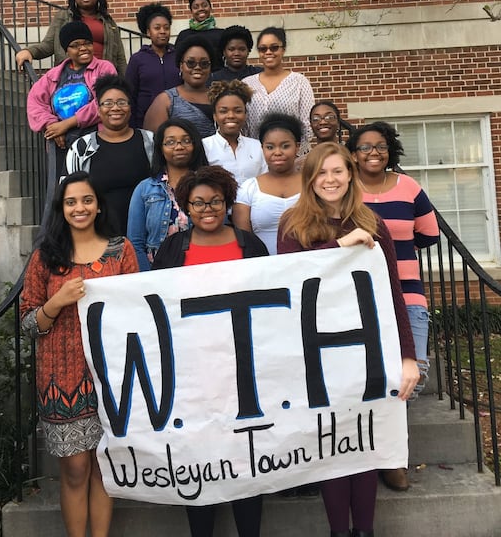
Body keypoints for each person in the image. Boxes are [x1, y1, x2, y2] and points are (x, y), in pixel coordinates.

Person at [277, 142, 419, 537]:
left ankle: (365, 531)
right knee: (332, 444)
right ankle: (340, 531)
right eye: (321, 172)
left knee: (365, 442)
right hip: (317, 351)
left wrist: (407, 357)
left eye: (338, 171)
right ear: (310, 180)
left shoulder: (373, 222)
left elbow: (393, 293)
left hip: (367, 348)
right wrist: (340, 244)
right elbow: (291, 278)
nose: (330, 180)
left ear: (351, 175)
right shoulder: (293, 224)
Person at [20, 171, 138, 537]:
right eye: (71, 202)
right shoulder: (45, 258)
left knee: (105, 466)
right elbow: (27, 324)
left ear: (98, 204)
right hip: (61, 380)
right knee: (74, 470)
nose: (80, 208)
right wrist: (56, 302)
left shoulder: (122, 250)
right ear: (61, 208)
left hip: (112, 376)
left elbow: (139, 311)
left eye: (86, 200)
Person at [152, 166, 268, 537]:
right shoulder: (174, 247)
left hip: (245, 370)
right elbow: (157, 304)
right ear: (186, 207)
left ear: (227, 203)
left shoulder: (251, 245)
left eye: (215, 201)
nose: (207, 208)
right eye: (198, 202)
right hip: (193, 372)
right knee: (198, 457)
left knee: (246, 457)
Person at [347, 120, 439, 493]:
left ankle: (389, 451)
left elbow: (429, 234)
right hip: (361, 296)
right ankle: (384, 458)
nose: (373, 152)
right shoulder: (347, 189)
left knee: (412, 374)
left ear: (391, 151)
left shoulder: (409, 187)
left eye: (381, 146)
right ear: (353, 153)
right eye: (366, 147)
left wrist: (396, 253)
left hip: (408, 291)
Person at [27, 22, 117, 190]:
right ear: (66, 50)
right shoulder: (53, 76)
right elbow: (35, 103)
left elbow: (105, 102)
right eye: (75, 45)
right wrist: (52, 125)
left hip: (97, 142)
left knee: (98, 189)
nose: (83, 48)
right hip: (63, 146)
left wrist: (68, 123)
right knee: (66, 191)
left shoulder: (104, 68)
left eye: (86, 43)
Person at [65, 75, 153, 234]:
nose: (115, 108)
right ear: (98, 109)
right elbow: (70, 196)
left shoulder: (149, 141)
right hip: (98, 236)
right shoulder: (82, 148)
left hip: (147, 235)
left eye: (121, 102)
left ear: (130, 107)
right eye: (108, 103)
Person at [127, 119, 208, 270]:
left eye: (186, 141)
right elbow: (135, 244)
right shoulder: (145, 189)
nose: (179, 147)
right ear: (160, 149)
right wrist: (149, 278)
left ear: (195, 146)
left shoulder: (210, 186)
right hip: (157, 271)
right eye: (170, 142)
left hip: (200, 269)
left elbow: (218, 234)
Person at [16, 0, 127, 74]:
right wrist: (29, 51)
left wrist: (125, 84)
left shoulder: (107, 21)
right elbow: (48, 45)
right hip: (72, 75)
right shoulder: (63, 17)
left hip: (103, 76)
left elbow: (120, 57)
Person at [232, 113, 303, 255]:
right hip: (264, 267)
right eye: (270, 147)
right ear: (262, 148)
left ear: (297, 147)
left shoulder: (313, 184)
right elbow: (245, 239)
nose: (277, 152)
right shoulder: (248, 188)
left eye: (285, 146)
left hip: (307, 267)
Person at [244, 27, 315, 156]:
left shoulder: (299, 82)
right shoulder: (247, 84)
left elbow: (307, 125)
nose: (268, 52)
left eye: (274, 47)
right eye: (263, 49)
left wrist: (296, 155)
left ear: (283, 50)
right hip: (255, 156)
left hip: (291, 157)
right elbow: (244, 126)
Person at [143, 36, 215, 138]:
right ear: (181, 66)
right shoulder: (166, 100)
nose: (198, 67)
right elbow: (154, 142)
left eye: (204, 63)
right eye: (191, 63)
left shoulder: (219, 96)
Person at [202, 79, 267, 186]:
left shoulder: (257, 147)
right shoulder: (205, 147)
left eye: (238, 111)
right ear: (215, 116)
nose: (231, 116)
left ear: (245, 114)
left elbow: (265, 181)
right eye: (223, 111)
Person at [125, 3, 180, 128]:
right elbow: (130, 94)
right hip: (145, 122)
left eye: (166, 28)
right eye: (157, 28)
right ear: (148, 32)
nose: (162, 31)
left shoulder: (179, 56)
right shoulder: (137, 59)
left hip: (178, 120)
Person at [174, 0, 224, 70]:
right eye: (196, 7)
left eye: (204, 5)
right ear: (191, 11)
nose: (201, 9)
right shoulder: (184, 36)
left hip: (217, 80)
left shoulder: (222, 34)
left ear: (210, 8)